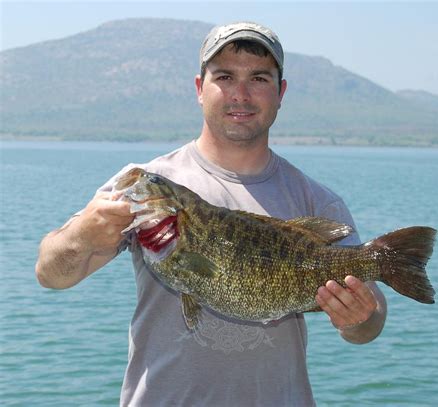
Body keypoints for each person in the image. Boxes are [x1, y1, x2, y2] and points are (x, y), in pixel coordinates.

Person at [36, 22, 387, 406]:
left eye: (258, 78)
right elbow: (51, 274)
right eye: (224, 76)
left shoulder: (316, 200)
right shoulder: (148, 186)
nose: (241, 93)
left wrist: (361, 317)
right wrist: (82, 237)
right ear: (200, 88)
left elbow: (367, 326)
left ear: (280, 92)